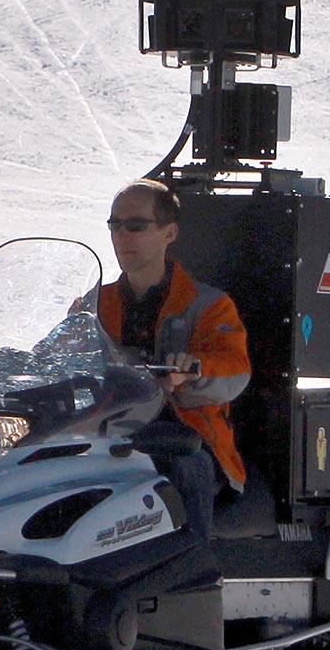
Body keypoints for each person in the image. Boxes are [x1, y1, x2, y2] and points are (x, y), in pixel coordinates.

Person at [97, 179, 251, 539]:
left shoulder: (209, 306)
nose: (122, 236)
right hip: (108, 430)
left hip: (187, 433)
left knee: (186, 464)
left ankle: (195, 569)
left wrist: (193, 371)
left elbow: (235, 370)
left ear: (169, 233)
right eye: (114, 225)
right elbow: (63, 352)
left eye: (135, 225)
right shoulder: (95, 303)